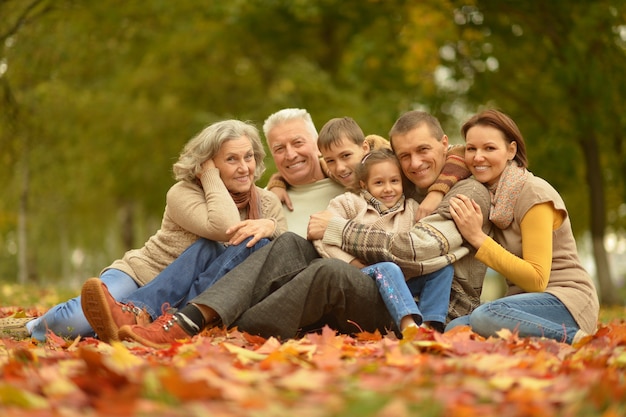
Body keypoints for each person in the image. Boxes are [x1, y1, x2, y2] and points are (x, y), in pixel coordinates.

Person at [114, 110, 492, 348]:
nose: (414, 163)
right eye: (405, 155)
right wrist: (277, 185)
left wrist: (338, 231)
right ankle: (197, 319)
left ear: (446, 145)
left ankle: (234, 323)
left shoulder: (466, 189)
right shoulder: (394, 181)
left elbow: (421, 249)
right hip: (374, 286)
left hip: (421, 306)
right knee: (291, 241)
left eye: (424, 151)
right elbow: (357, 166)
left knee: (326, 269)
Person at [5, 120, 287, 342]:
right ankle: (32, 327)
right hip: (142, 274)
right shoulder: (184, 192)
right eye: (231, 159)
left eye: (248, 157)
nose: (244, 168)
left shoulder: (266, 202)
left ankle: (138, 323)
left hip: (192, 295)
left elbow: (283, 244)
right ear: (207, 164)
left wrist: (271, 224)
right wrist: (210, 176)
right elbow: (224, 227)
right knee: (78, 321)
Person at [445, 109, 598, 344]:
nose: (477, 158)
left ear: (511, 150)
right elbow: (448, 158)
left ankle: (582, 342)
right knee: (455, 329)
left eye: (489, 148)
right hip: (521, 303)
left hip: (563, 300)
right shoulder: (491, 197)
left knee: (484, 316)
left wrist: (477, 237)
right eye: (471, 149)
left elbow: (537, 279)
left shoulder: (534, 194)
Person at [314, 147, 454, 331]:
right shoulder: (349, 203)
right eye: (379, 183)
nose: (388, 189)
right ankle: (408, 326)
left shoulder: (411, 208)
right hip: (361, 279)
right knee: (387, 268)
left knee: (443, 269)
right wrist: (354, 263)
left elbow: (417, 244)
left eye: (394, 181)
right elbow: (321, 238)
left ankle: (428, 327)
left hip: (400, 281)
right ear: (364, 184)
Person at [263, 108, 345, 237]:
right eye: (279, 148)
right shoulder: (265, 202)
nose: (290, 155)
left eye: (298, 143)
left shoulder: (351, 184)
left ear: (318, 145)